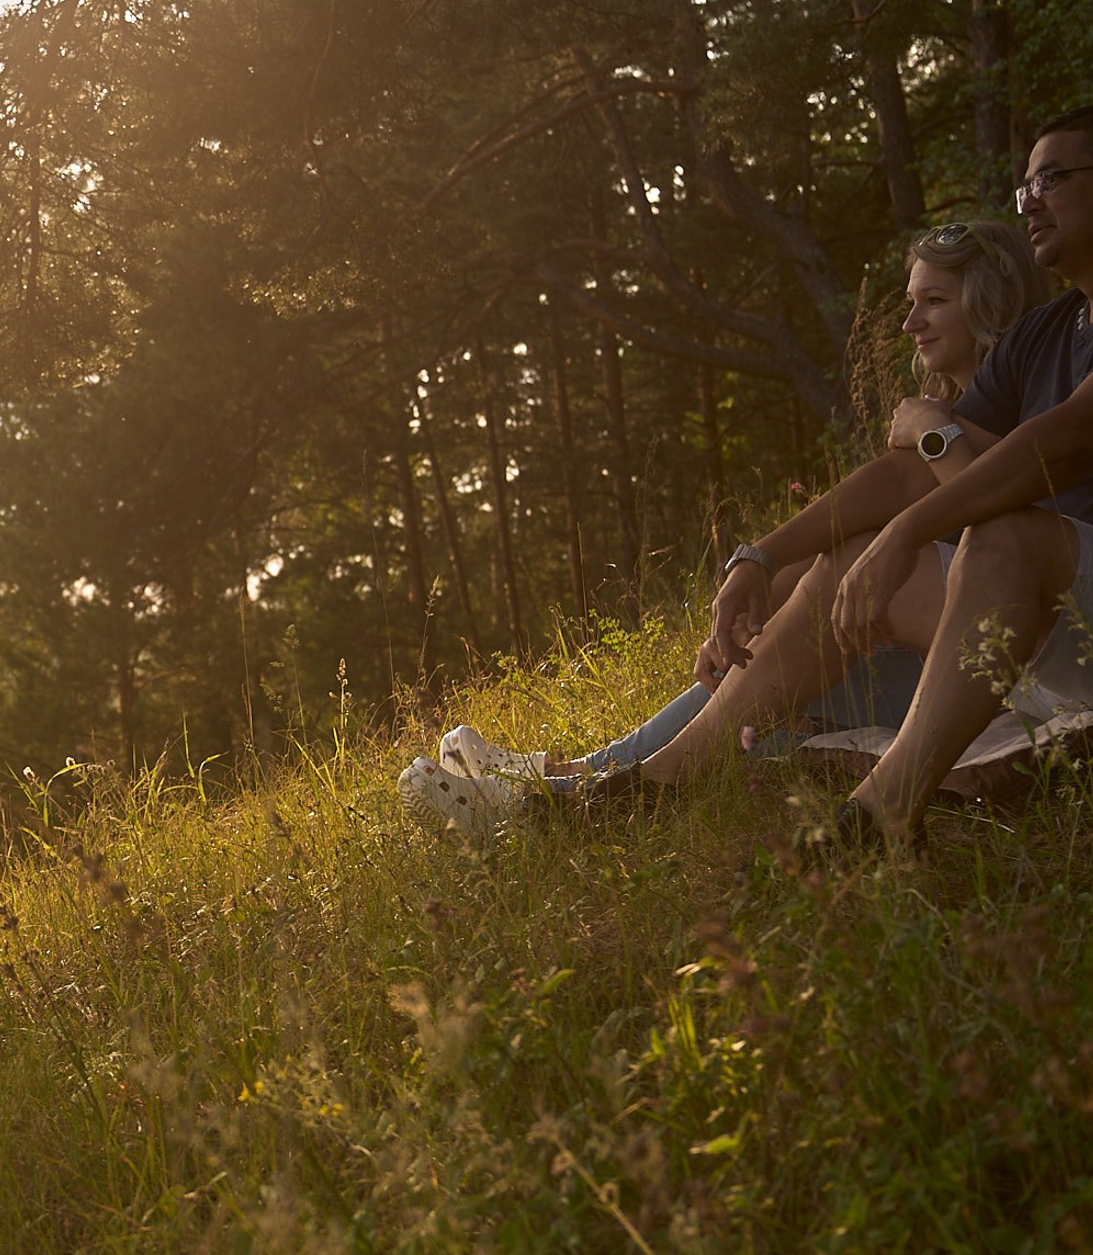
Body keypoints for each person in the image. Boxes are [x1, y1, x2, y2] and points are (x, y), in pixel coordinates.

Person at [399, 212, 1050, 835]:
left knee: (821, 629)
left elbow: (995, 518)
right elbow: (879, 509)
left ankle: (582, 795)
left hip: (1008, 659)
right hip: (956, 642)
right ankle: (571, 778)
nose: (909, 322)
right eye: (911, 301)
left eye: (933, 301)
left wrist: (930, 431)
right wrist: (759, 571)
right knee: (798, 607)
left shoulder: (1025, 401)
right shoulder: (948, 415)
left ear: (988, 302)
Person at [593, 107, 1093, 843]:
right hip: (1054, 631)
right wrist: (760, 557)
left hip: (1062, 605)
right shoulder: (1044, 333)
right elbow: (905, 476)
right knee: (852, 557)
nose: (1031, 200)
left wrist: (916, 500)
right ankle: (654, 786)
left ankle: (877, 815)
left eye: (1052, 178)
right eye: (1024, 186)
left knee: (1008, 534)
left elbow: (1070, 432)